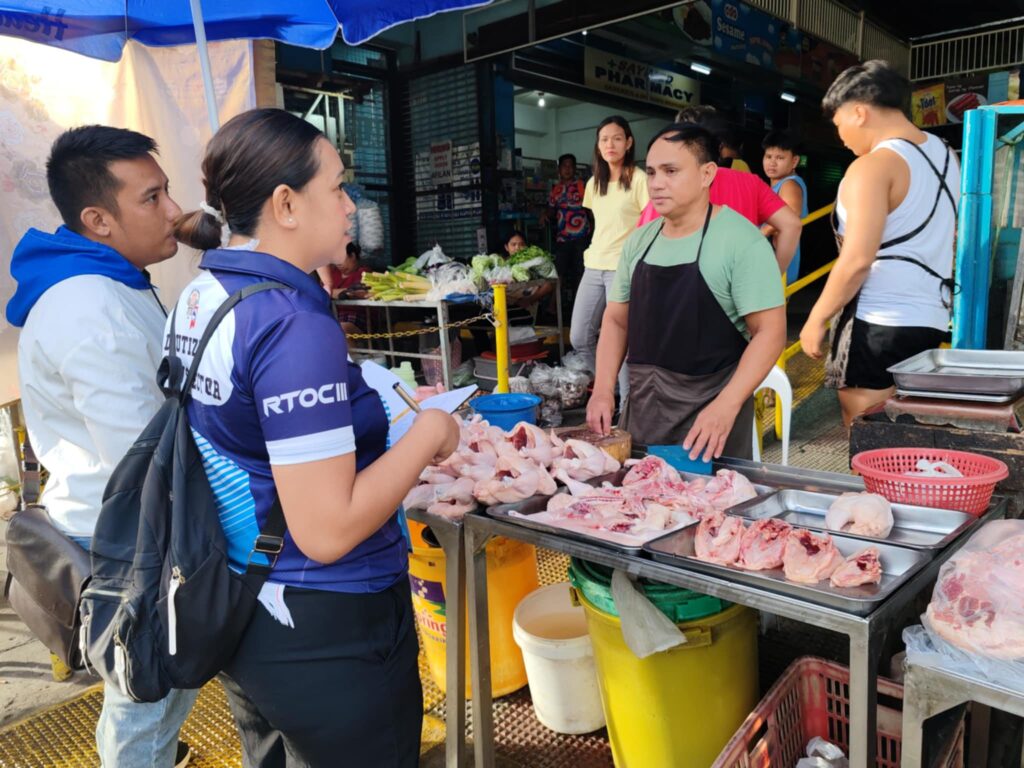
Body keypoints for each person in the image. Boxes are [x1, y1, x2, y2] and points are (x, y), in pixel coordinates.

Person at [171, 108, 460, 766]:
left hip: (245, 612)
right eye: (336, 186)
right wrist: (429, 431)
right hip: (330, 630)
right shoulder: (293, 324)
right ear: (285, 204)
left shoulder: (204, 293)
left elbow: (250, 429)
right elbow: (328, 530)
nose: (351, 205)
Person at [7, 126, 195, 766]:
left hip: (121, 524)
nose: (173, 211)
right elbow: (141, 454)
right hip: (131, 539)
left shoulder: (112, 282)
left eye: (166, 192)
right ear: (98, 218)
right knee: (147, 695)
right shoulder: (90, 306)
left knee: (148, 693)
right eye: (152, 198)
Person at [587, 124, 786, 458]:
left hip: (711, 424)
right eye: (651, 172)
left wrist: (727, 404)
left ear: (707, 173)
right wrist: (604, 389)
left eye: (671, 171)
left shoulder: (741, 241)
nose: (657, 183)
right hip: (644, 413)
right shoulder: (639, 240)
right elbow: (617, 321)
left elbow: (770, 332)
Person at [799, 60, 959, 427]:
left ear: (859, 112)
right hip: (932, 318)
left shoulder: (874, 166)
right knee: (911, 434)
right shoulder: (947, 158)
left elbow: (857, 259)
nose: (840, 136)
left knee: (867, 437)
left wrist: (816, 318)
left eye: (838, 123)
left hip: (877, 322)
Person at [638, 107, 801, 275]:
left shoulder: (667, 190)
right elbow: (792, 225)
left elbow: (641, 249)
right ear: (720, 145)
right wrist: (772, 275)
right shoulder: (750, 182)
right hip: (740, 290)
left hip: (679, 293)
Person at [572, 116, 649, 397]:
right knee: (579, 336)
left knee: (621, 338)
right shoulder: (594, 183)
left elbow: (651, 223)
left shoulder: (640, 180)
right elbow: (600, 224)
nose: (610, 144)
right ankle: (613, 389)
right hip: (593, 264)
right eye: (604, 139)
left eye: (617, 138)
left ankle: (628, 405)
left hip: (623, 268)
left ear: (628, 143)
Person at [761, 130, 808, 284]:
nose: (772, 163)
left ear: (794, 162)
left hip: (777, 263)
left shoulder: (789, 184)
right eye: (768, 156)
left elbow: (791, 214)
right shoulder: (774, 187)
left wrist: (759, 234)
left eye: (780, 158)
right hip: (772, 261)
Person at [542, 153, 592, 297]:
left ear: (575, 168)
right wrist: (545, 214)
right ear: (559, 169)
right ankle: (554, 306)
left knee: (580, 272)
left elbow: (590, 209)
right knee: (559, 272)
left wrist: (593, 228)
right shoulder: (555, 189)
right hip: (563, 237)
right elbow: (551, 210)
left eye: (571, 166)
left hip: (581, 236)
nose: (567, 169)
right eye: (565, 166)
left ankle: (579, 303)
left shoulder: (582, 186)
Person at [316, 241, 368, 335]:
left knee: (342, 329)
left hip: (359, 316)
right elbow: (320, 292)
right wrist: (343, 292)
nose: (339, 264)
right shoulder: (332, 274)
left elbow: (359, 291)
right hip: (335, 314)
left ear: (352, 256)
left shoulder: (364, 273)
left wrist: (332, 292)